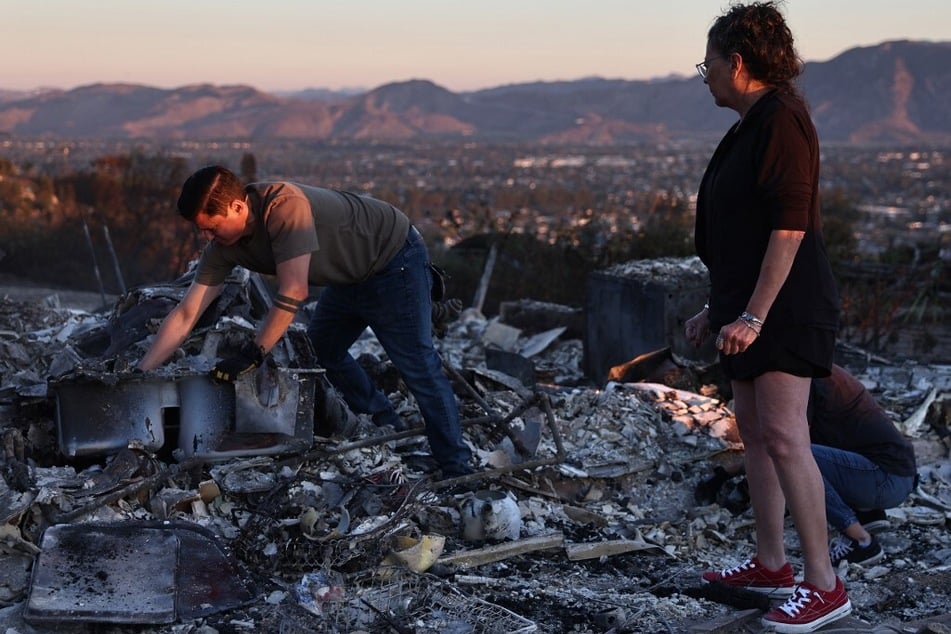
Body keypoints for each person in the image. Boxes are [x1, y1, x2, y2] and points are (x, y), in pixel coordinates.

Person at [137, 165, 474, 480]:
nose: (207, 236)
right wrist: (141, 373)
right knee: (322, 353)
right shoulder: (223, 247)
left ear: (238, 207)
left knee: (417, 365)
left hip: (393, 259)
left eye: (211, 226)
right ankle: (387, 424)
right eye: (201, 229)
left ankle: (456, 465)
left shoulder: (284, 207)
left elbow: (294, 290)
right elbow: (186, 314)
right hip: (347, 279)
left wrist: (254, 353)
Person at [684, 3, 850, 632]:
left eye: (709, 63)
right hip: (752, 308)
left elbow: (788, 226)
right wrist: (717, 309)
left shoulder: (783, 120)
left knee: (784, 437)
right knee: (753, 432)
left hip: (786, 310)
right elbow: (743, 234)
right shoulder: (753, 124)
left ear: (739, 62)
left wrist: (752, 315)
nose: (706, 76)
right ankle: (771, 564)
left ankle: (824, 584)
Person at [809, 364, 918, 567]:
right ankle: (867, 514)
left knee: (798, 457)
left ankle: (861, 541)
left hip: (886, 479)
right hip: (896, 475)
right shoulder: (825, 371)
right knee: (798, 453)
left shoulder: (806, 378)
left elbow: (788, 447)